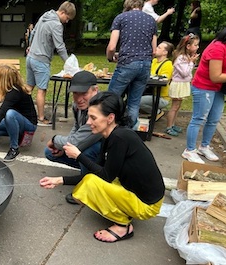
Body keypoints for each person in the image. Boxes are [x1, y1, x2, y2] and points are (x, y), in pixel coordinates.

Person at [40, 91, 165, 243]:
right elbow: (98, 172)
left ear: (110, 118)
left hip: (147, 205)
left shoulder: (120, 137)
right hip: (136, 192)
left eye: (93, 117)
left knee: (90, 185)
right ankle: (125, 212)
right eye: (88, 116)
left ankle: (123, 226)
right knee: (90, 181)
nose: (88, 122)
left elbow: (105, 176)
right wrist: (59, 180)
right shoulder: (110, 135)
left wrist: (79, 156)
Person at [44, 71, 102, 203]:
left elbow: (77, 141)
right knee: (50, 153)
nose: (79, 98)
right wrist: (64, 147)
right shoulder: (77, 106)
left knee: (87, 151)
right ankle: (87, 173)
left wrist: (54, 140)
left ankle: (89, 187)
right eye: (76, 93)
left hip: (107, 154)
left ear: (95, 90)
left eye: (84, 93)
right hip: (86, 142)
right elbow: (76, 128)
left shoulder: (100, 108)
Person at [182, 27, 226, 164]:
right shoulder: (218, 47)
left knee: (214, 119)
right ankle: (189, 150)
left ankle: (204, 146)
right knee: (199, 118)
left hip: (219, 88)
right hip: (204, 87)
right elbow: (215, 76)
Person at [106, 0, 157, 128]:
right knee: (134, 103)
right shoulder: (151, 20)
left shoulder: (121, 18)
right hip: (145, 65)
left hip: (127, 62)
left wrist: (110, 58)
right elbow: (154, 50)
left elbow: (112, 47)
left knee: (110, 100)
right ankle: (128, 134)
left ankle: (107, 132)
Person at [26, 1, 76, 126]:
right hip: (41, 61)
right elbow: (60, 46)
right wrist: (69, 63)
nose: (67, 21)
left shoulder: (45, 15)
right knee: (41, 90)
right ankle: (41, 119)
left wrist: (30, 46)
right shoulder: (56, 24)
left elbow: (32, 32)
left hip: (30, 57)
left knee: (28, 88)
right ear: (63, 12)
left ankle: (22, 111)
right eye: (67, 18)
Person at [0, 64, 37, 162]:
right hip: (18, 121)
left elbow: (2, 111)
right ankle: (16, 133)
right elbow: (10, 102)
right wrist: (2, 99)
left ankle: (14, 148)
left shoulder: (15, 92)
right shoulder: (13, 89)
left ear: (4, 79)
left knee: (9, 114)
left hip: (29, 125)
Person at [166, 33, 200, 136]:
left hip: (183, 83)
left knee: (178, 106)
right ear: (188, 46)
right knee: (174, 107)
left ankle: (173, 124)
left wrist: (191, 61)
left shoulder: (187, 57)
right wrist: (191, 62)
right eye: (196, 45)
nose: (197, 47)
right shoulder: (180, 58)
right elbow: (185, 73)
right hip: (178, 84)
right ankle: (168, 126)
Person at [139, 41, 174, 121]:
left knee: (137, 101)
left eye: (159, 47)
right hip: (150, 92)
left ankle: (157, 112)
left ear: (165, 52)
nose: (155, 49)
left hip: (162, 97)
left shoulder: (168, 64)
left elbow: (164, 79)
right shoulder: (154, 61)